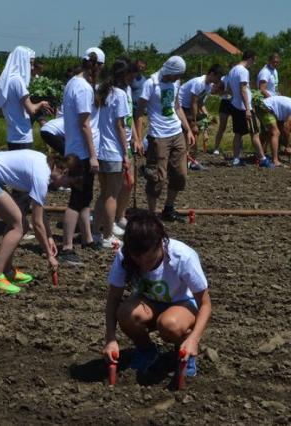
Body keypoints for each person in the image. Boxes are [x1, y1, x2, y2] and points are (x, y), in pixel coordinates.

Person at [102, 210, 212, 377]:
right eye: (138, 260)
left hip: (183, 304)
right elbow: (113, 300)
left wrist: (194, 339)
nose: (144, 266)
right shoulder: (124, 256)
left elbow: (205, 304)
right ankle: (147, 351)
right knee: (125, 313)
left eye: (150, 260)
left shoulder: (182, 256)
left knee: (169, 325)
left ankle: (184, 349)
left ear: (161, 243)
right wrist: (110, 339)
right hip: (150, 302)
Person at [0, 150, 74, 293]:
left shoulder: (44, 165)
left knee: (16, 223)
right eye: (68, 183)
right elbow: (37, 223)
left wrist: (49, 236)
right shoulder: (42, 177)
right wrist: (49, 256)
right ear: (64, 171)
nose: (66, 187)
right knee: (19, 226)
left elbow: (40, 212)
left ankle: (7, 271)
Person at [58, 47, 105, 266]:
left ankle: (86, 238)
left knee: (85, 197)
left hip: (77, 148)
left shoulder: (73, 83)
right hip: (82, 152)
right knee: (77, 199)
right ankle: (67, 246)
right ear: (97, 66)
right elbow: (85, 124)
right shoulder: (83, 88)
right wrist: (93, 156)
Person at [136, 56, 195, 223]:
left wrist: (187, 129)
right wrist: (138, 139)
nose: (178, 78)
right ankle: (152, 214)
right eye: (177, 74)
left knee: (180, 175)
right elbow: (139, 113)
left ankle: (169, 208)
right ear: (169, 71)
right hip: (158, 136)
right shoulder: (151, 84)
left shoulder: (176, 83)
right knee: (157, 178)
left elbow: (176, 107)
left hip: (176, 133)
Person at [93, 60, 135, 247]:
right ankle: (108, 235)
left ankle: (95, 232)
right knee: (112, 195)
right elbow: (120, 125)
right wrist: (125, 152)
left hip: (99, 148)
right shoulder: (119, 94)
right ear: (124, 76)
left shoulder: (100, 90)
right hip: (112, 151)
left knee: (103, 193)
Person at [0, 46, 52, 151]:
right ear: (22, 61)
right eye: (30, 63)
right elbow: (30, 109)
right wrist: (41, 104)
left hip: (12, 136)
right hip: (22, 136)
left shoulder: (6, 81)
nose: (31, 67)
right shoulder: (18, 81)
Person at [226, 51, 272, 168]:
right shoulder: (243, 71)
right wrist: (248, 108)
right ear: (250, 58)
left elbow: (230, 89)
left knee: (238, 133)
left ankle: (236, 160)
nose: (253, 63)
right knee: (254, 133)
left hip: (235, 105)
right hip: (243, 107)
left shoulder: (232, 70)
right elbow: (243, 89)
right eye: (254, 60)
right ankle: (262, 159)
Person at [178, 64, 224, 167]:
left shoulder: (208, 86)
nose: (219, 79)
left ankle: (190, 159)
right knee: (189, 131)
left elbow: (200, 102)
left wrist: (207, 115)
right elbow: (193, 102)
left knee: (195, 132)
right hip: (181, 105)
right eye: (218, 77)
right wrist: (193, 122)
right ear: (212, 74)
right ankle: (184, 159)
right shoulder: (199, 82)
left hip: (189, 107)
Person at [114, 61, 141, 236]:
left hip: (128, 140)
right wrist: (125, 149)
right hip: (116, 143)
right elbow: (119, 124)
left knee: (129, 182)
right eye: (131, 75)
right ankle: (112, 218)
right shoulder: (115, 92)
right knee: (118, 183)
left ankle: (120, 215)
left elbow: (130, 117)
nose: (133, 79)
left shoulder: (128, 90)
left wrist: (136, 138)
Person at [254, 95, 291, 167]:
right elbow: (286, 128)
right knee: (276, 133)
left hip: (264, 106)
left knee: (268, 133)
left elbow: (283, 126)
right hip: (266, 107)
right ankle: (275, 160)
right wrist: (288, 146)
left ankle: (259, 155)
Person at [211, 71, 234, 155]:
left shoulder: (236, 77)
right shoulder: (224, 78)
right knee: (222, 126)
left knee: (237, 128)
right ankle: (216, 147)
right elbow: (216, 92)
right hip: (225, 102)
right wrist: (226, 91)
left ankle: (237, 148)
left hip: (235, 102)